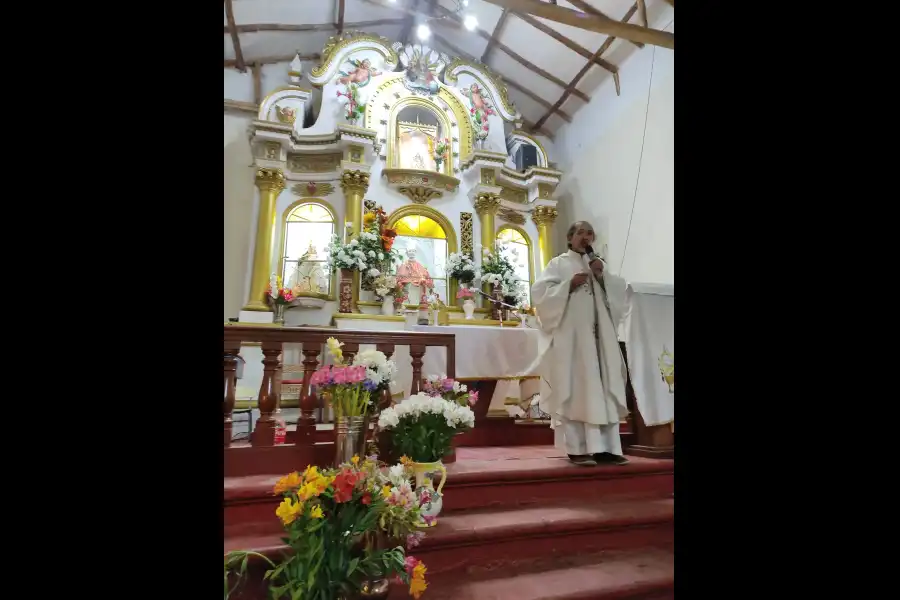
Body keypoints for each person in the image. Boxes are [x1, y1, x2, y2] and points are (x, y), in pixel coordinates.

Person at [531, 221, 630, 466]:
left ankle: (607, 449)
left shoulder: (598, 265)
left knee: (604, 388)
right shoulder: (559, 264)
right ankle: (577, 449)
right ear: (570, 238)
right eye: (580, 232)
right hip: (574, 341)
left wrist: (602, 276)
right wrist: (568, 286)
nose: (586, 237)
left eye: (589, 233)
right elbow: (539, 294)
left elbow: (620, 298)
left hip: (601, 342)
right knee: (576, 389)